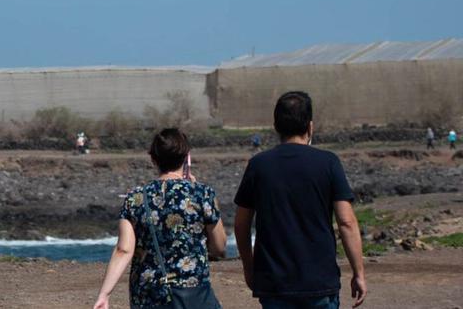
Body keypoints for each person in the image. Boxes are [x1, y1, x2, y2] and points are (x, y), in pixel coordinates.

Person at [234, 91, 367, 308]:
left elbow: (241, 225)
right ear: (310, 126)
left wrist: (249, 269)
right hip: (319, 282)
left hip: (274, 283)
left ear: (276, 126)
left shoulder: (258, 165)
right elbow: (347, 222)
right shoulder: (328, 163)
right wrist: (358, 272)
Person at [94, 128, 227, 309]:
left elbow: (124, 250)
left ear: (153, 160)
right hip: (193, 293)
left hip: (149, 295)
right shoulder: (203, 194)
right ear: (186, 158)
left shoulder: (135, 198)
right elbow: (219, 247)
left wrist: (104, 294)